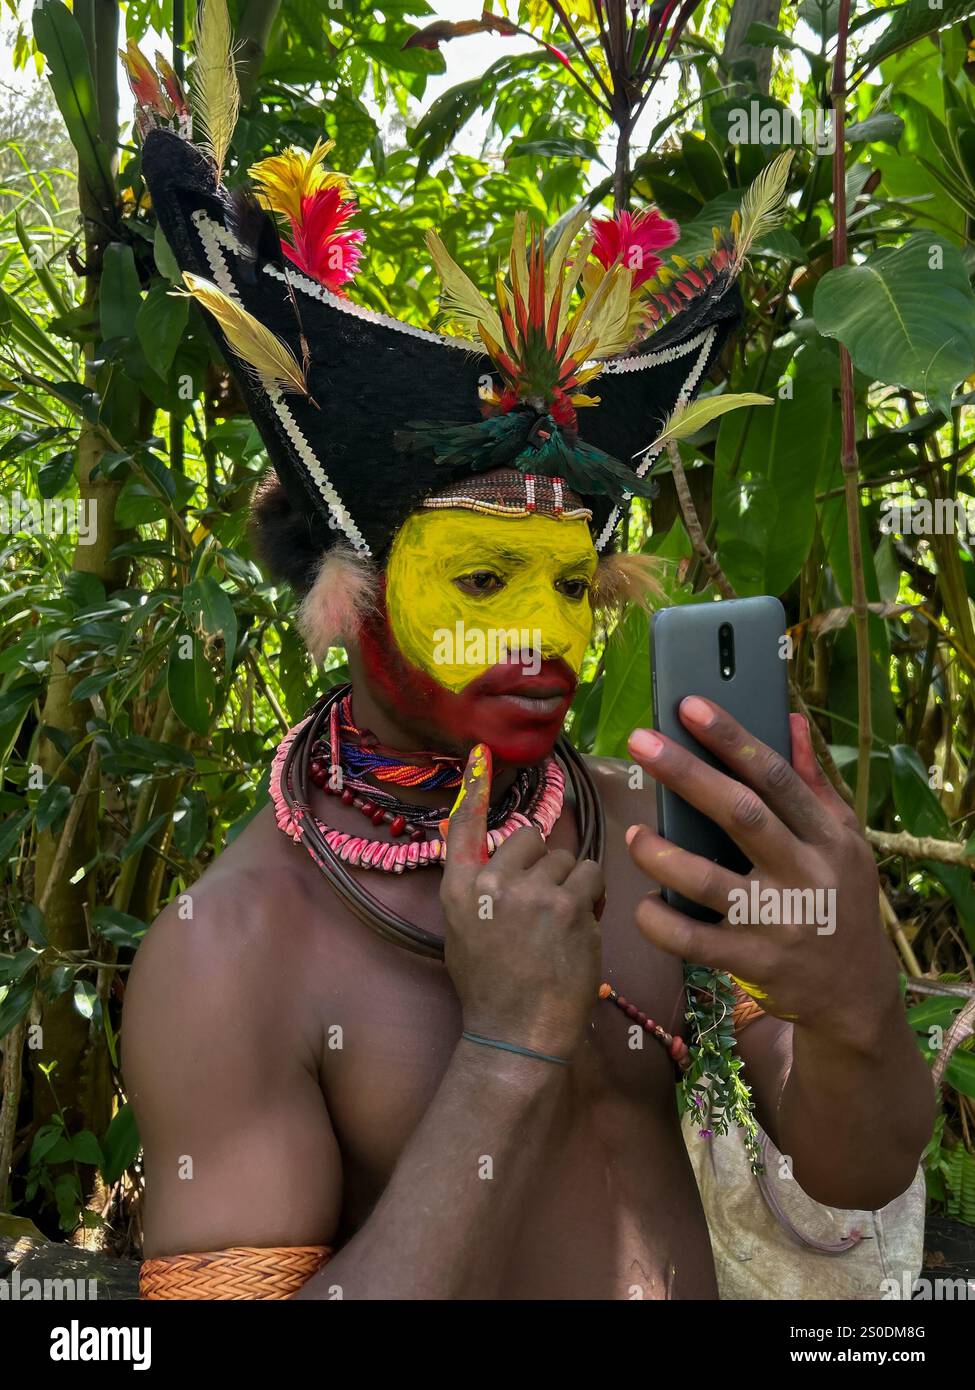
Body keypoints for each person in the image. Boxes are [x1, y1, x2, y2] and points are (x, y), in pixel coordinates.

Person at [122, 97, 935, 1301]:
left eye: (570, 584)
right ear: (348, 594)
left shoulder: (664, 839)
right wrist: (503, 1055)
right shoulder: (236, 950)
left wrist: (859, 1007)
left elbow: (859, 1171)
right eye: (484, 576)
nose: (545, 638)